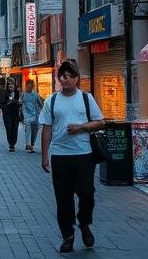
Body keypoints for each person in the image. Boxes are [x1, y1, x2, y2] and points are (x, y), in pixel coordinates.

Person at [40, 60, 104, 253]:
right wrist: (45, 157)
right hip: (60, 155)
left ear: (77, 79)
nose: (65, 79)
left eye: (69, 76)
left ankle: (84, 223)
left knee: (87, 192)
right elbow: (46, 129)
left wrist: (81, 127)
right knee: (63, 198)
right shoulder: (51, 100)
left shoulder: (86, 98)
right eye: (63, 76)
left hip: (84, 154)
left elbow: (100, 122)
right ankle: (67, 236)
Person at [0, 77, 23, 151]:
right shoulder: (5, 93)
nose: (11, 86)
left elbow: (21, 102)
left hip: (15, 113)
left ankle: (13, 143)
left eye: (12, 84)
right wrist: (6, 105)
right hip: (7, 113)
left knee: (15, 128)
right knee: (8, 128)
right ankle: (10, 143)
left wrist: (17, 102)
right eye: (9, 85)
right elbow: (0, 103)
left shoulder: (18, 93)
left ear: (14, 85)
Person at [22, 79, 43, 152]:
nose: (29, 88)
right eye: (28, 86)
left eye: (31, 86)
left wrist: (43, 111)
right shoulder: (23, 94)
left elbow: (40, 104)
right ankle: (27, 144)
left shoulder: (35, 94)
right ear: (26, 86)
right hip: (27, 114)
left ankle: (32, 144)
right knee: (27, 129)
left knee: (35, 130)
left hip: (35, 114)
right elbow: (20, 103)